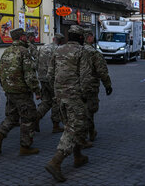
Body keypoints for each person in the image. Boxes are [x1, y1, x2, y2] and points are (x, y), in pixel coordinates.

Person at [45, 25, 91, 182]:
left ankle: (78, 156)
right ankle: (56, 161)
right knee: (75, 127)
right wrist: (85, 95)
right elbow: (85, 77)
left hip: (59, 95)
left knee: (71, 124)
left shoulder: (57, 50)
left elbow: (50, 74)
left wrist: (56, 91)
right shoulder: (81, 52)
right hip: (74, 95)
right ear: (80, 38)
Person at [0, 28, 41, 156]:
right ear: (22, 37)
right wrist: (36, 90)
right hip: (21, 90)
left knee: (12, 116)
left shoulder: (6, 52)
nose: (26, 37)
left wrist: (5, 87)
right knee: (28, 116)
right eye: (24, 35)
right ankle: (25, 146)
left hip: (10, 90)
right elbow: (29, 74)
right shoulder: (23, 51)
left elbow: (1, 72)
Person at [83, 29, 113, 142]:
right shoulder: (93, 52)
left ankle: (89, 133)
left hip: (75, 86)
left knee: (81, 110)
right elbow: (102, 71)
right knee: (90, 110)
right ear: (89, 37)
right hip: (90, 86)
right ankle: (87, 134)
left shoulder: (77, 50)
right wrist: (108, 85)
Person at [35, 33, 65, 133]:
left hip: (42, 78)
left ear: (53, 39)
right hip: (52, 79)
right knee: (56, 101)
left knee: (46, 101)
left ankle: (36, 117)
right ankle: (56, 125)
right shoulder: (58, 50)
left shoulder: (43, 47)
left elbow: (36, 62)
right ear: (61, 42)